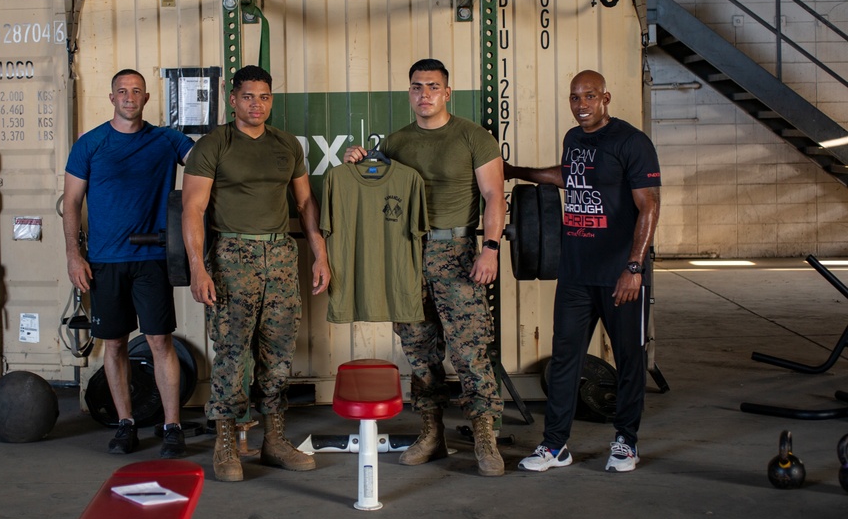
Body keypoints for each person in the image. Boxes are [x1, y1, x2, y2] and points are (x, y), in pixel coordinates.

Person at [344, 58, 507, 477]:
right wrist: (357, 158)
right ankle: (431, 434)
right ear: (409, 93)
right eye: (417, 87)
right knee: (419, 350)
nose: (425, 95)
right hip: (407, 256)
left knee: (470, 349)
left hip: (457, 253)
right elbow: (370, 184)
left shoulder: (474, 137)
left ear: (447, 93)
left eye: (433, 87)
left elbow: (494, 197)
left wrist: (489, 248)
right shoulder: (396, 143)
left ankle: (484, 438)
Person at [182, 64, 331, 482]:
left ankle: (274, 441)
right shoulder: (213, 145)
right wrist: (198, 267)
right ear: (233, 100)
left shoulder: (286, 145)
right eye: (249, 96)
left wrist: (319, 255)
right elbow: (193, 208)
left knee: (278, 355)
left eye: (265, 97)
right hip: (231, 254)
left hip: (281, 255)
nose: (257, 104)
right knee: (232, 353)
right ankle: (226, 444)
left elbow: (305, 205)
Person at [508, 69, 661, 474]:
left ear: (605, 98)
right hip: (576, 273)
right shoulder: (573, 139)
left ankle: (625, 442)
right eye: (575, 98)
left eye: (589, 97)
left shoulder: (632, 142)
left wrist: (634, 268)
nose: (581, 105)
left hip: (619, 275)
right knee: (564, 360)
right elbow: (568, 177)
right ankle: (555, 445)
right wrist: (518, 172)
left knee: (630, 359)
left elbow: (649, 206)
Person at [63, 68, 195, 459]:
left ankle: (171, 426)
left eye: (136, 91)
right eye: (122, 91)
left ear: (146, 99)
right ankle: (126, 423)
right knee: (115, 345)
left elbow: (205, 163)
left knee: (159, 341)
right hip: (104, 261)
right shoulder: (91, 144)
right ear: (111, 98)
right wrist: (74, 254)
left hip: (152, 259)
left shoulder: (167, 140)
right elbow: (70, 203)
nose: (129, 97)